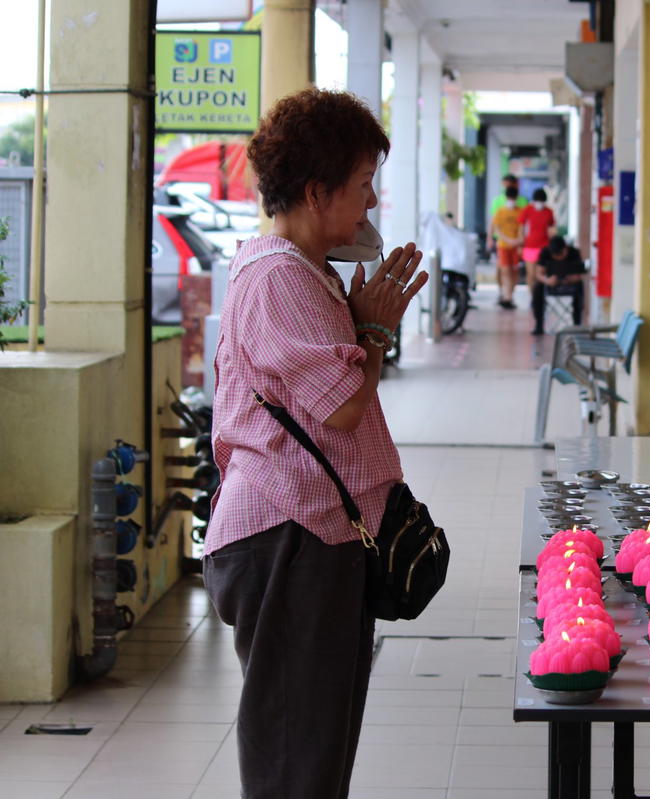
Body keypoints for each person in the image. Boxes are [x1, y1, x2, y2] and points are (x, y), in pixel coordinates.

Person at [201, 87, 428, 799]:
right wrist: (377, 330)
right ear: (315, 188)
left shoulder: (304, 271)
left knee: (317, 751)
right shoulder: (278, 277)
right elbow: (343, 406)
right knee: (296, 761)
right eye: (361, 187)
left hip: (308, 536)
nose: (369, 207)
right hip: (285, 539)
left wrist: (359, 320)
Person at [531, 235, 587, 335]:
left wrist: (569, 279)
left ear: (565, 248)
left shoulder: (574, 253)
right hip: (550, 284)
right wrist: (547, 280)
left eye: (561, 254)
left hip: (571, 284)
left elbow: (579, 276)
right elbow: (538, 273)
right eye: (556, 256)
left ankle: (577, 324)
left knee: (580, 287)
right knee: (538, 287)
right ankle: (539, 324)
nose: (559, 258)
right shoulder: (545, 252)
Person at [490, 185, 523, 309]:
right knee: (505, 271)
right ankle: (506, 296)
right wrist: (508, 240)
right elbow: (496, 228)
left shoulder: (520, 211)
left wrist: (518, 241)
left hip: (516, 246)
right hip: (503, 246)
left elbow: (522, 227)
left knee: (514, 272)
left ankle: (509, 295)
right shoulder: (500, 211)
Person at [519, 187, 556, 286]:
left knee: (541, 274)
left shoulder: (549, 212)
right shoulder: (528, 210)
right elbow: (521, 228)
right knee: (531, 274)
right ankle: (532, 297)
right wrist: (521, 244)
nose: (539, 203)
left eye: (542, 201)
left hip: (544, 247)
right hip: (529, 246)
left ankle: (539, 296)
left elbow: (552, 229)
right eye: (538, 201)